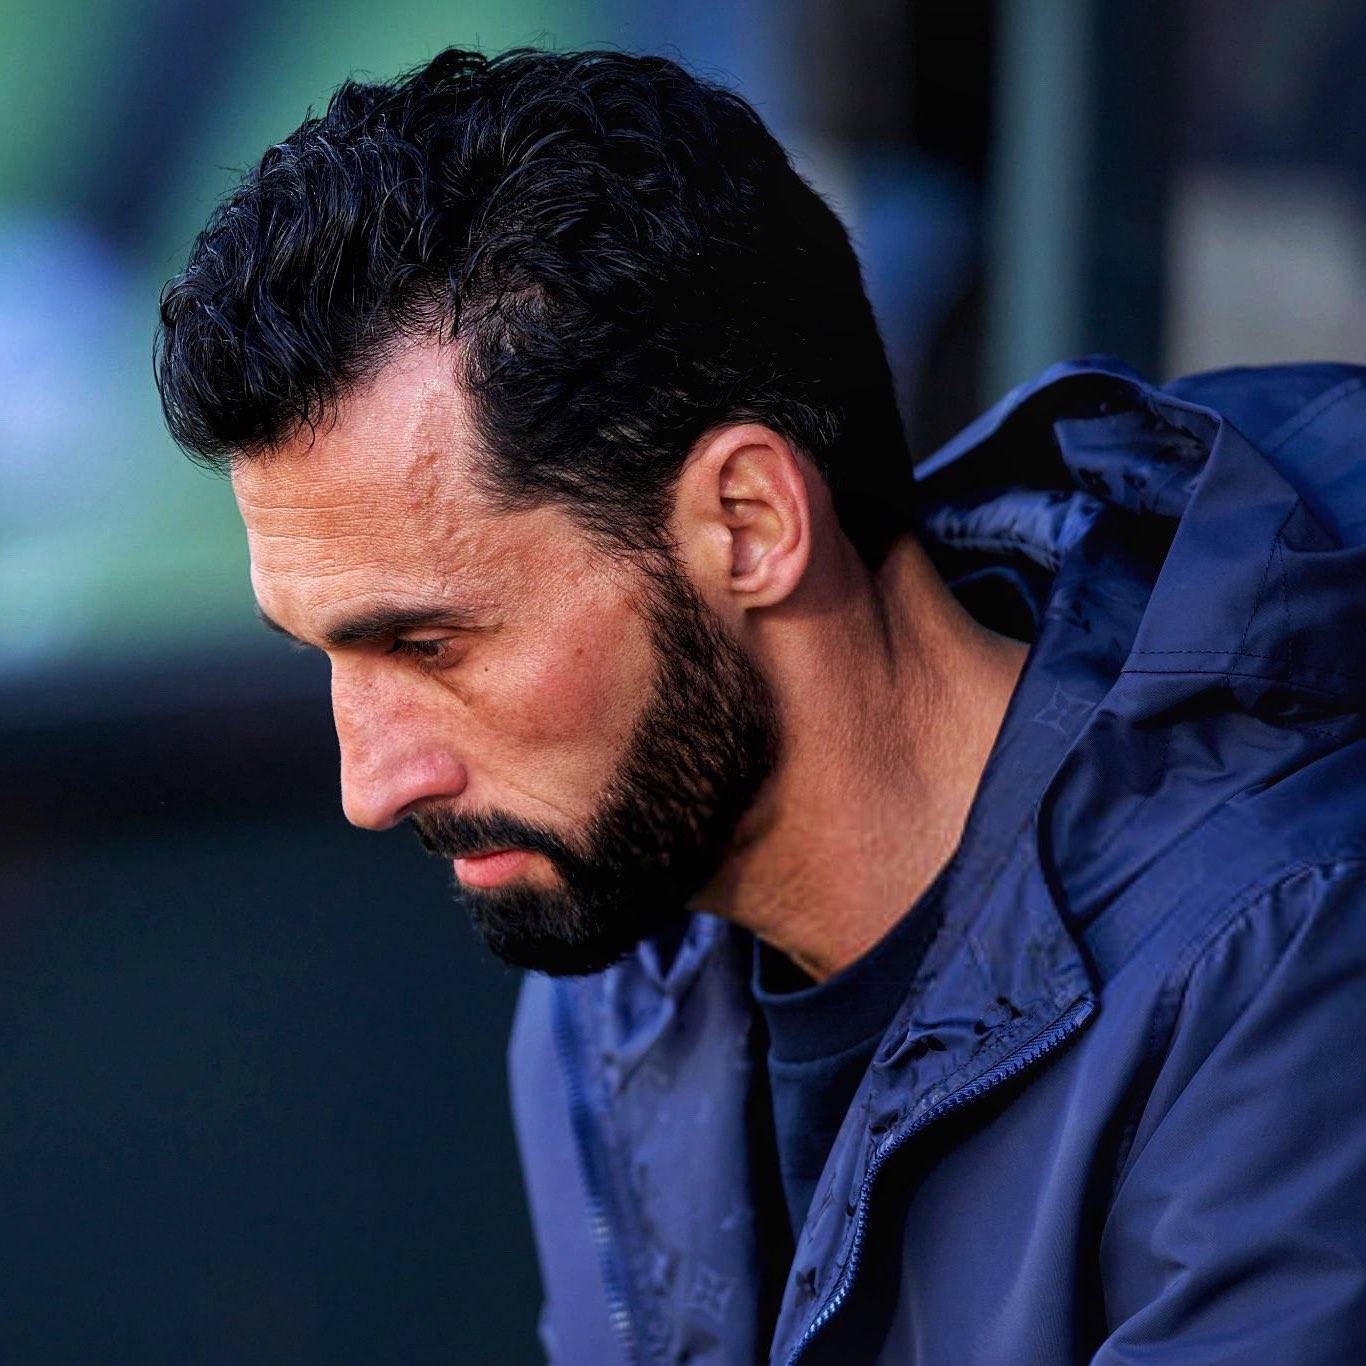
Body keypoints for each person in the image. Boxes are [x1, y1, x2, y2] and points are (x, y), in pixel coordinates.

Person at [154, 45, 1366, 1365]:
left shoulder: (1280, 964)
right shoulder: (613, 977)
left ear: (748, 522)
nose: (370, 784)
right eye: (323, 656)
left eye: (430, 644)